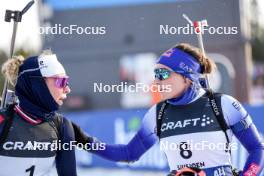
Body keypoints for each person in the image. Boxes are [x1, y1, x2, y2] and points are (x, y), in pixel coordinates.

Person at [76, 43, 264, 176]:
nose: (156, 81)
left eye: (163, 74)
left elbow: (257, 148)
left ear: (187, 76)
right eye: (155, 74)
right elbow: (128, 153)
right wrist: (86, 142)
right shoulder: (157, 113)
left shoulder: (222, 105)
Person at [0, 51, 81, 176]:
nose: (67, 89)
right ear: (37, 84)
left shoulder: (62, 126)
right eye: (61, 81)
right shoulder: (3, 120)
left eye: (67, 81)